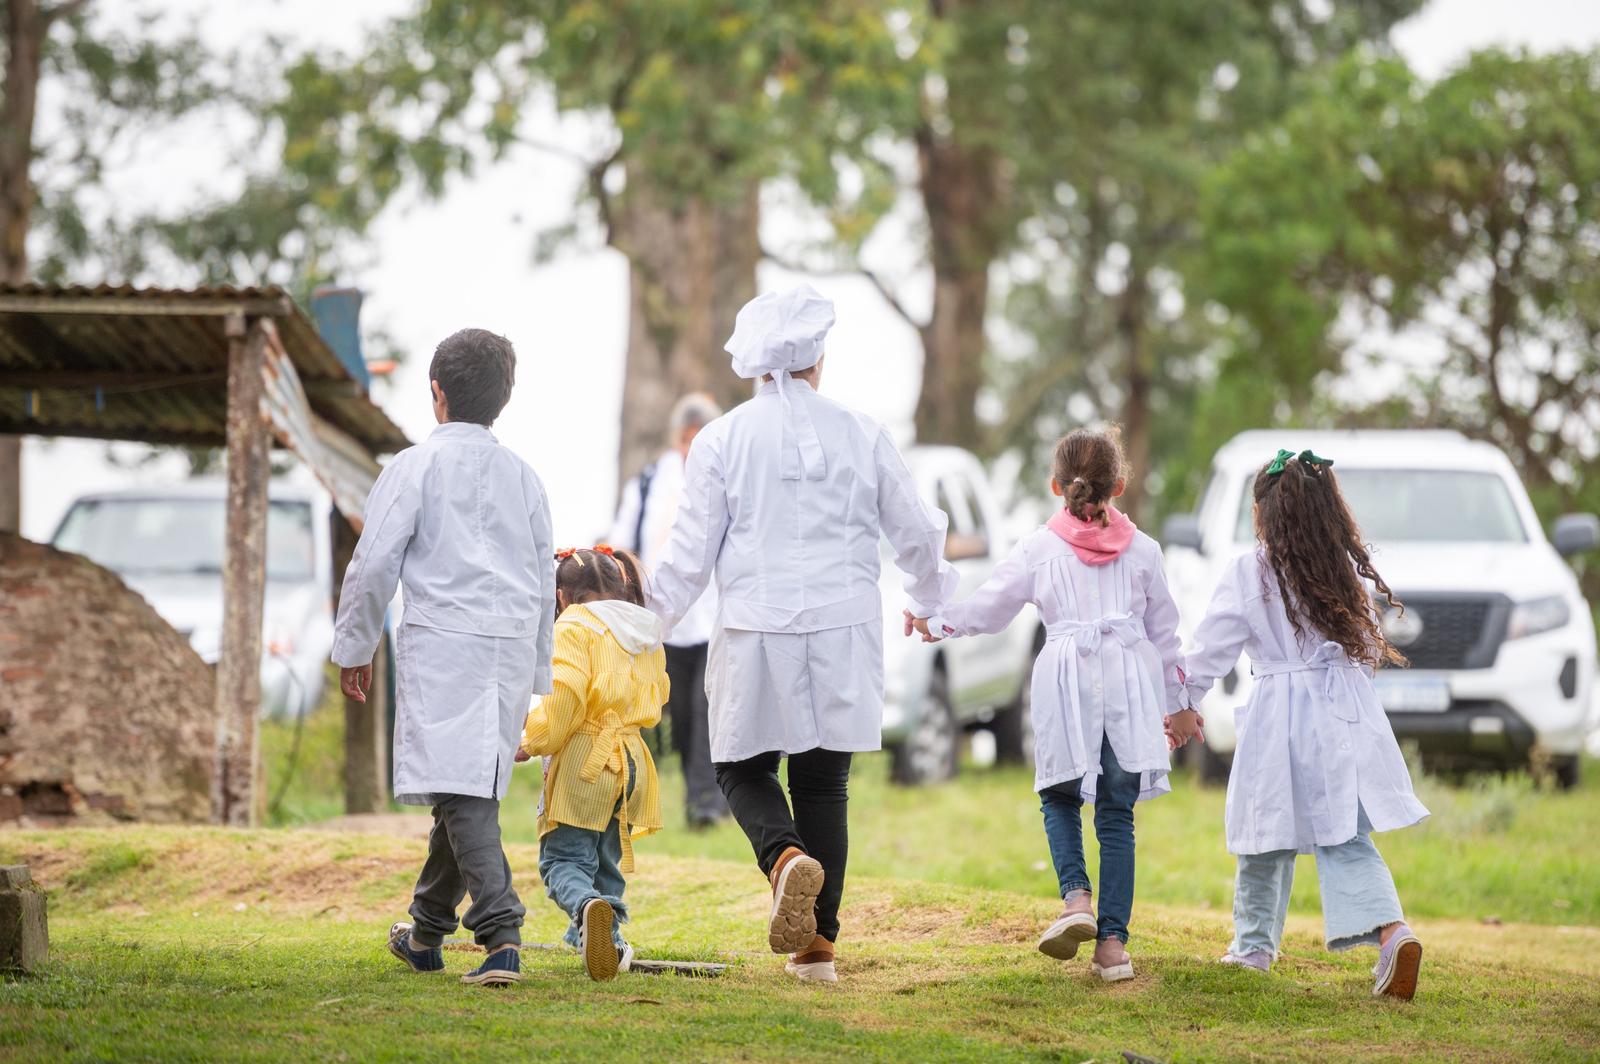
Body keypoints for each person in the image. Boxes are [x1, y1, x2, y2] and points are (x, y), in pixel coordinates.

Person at [649, 284, 957, 984]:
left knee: (737, 767)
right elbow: (912, 526)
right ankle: (817, 951)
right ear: (818, 360)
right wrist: (930, 599)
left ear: (755, 365)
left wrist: (643, 624)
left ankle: (785, 859)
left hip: (756, 626)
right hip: (842, 628)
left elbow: (689, 555)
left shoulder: (721, 438)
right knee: (825, 783)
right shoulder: (861, 430)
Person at [909, 426, 1183, 983]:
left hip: (1067, 678)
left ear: (1055, 484)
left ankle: (1076, 898)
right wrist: (1180, 703)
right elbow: (1167, 635)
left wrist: (936, 622)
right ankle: (1113, 949)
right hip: (1127, 684)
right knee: (1116, 813)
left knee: (1059, 795)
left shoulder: (1039, 548)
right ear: (1121, 485)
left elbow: (990, 609)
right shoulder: (1146, 553)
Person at [331, 328, 555, 988]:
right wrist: (538, 671)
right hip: (510, 645)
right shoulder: (527, 478)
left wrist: (354, 645)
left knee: (462, 792)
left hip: (446, 643)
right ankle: (426, 933)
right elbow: (542, 578)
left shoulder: (413, 467)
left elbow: (374, 564)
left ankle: (501, 933)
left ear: (437, 394)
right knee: (466, 789)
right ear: (503, 399)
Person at [1177, 448, 1429, 1001]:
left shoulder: (1249, 572)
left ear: (1266, 514)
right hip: (1344, 712)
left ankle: (1253, 947)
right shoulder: (1341, 572)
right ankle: (1393, 934)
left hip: (1280, 719)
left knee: (1264, 833)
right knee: (1346, 834)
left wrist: (1182, 702)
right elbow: (1362, 655)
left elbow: (1210, 651)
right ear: (1326, 513)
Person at [516, 546, 667, 982]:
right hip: (634, 759)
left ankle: (585, 908)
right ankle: (609, 938)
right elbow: (659, 694)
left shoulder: (574, 626)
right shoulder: (646, 632)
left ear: (562, 597)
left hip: (588, 756)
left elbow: (565, 696)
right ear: (622, 588)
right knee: (605, 856)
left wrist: (533, 739)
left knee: (561, 859)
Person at [609, 393, 729, 829]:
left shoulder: (727, 477)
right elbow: (623, 542)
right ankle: (648, 801)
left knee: (706, 710)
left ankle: (705, 805)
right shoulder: (647, 483)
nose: (691, 448)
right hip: (659, 622)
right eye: (686, 439)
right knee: (669, 716)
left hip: (714, 618)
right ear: (678, 438)